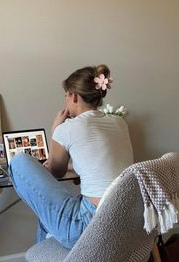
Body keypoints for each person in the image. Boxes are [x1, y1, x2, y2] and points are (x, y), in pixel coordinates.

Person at [9, 64, 133, 249]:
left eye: (66, 95)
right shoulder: (119, 122)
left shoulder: (67, 129)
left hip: (88, 226)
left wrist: (55, 130)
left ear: (73, 96)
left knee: (18, 162)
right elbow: (99, 164)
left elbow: (55, 172)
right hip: (125, 218)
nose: (66, 100)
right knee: (47, 218)